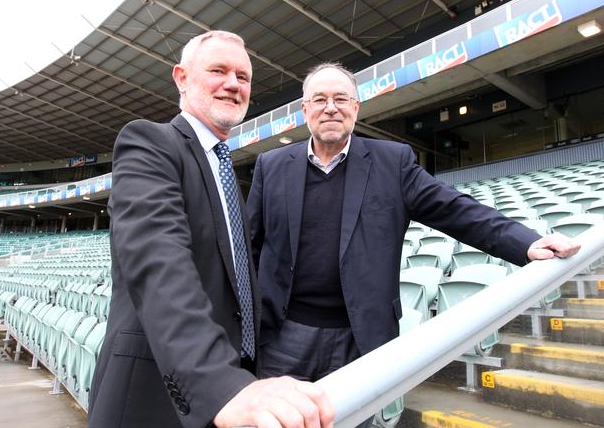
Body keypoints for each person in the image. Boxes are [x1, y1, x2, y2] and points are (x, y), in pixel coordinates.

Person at [246, 62, 581, 383]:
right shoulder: (271, 166)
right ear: (305, 111)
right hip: (282, 337)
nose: (330, 107)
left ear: (356, 107)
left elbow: (456, 210)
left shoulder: (392, 162)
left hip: (360, 338)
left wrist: (525, 242)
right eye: (319, 99)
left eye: (341, 98)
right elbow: (249, 249)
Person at [89, 31, 334, 428]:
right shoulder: (149, 143)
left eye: (243, 76)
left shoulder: (226, 174)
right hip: (161, 399)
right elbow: (159, 262)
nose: (233, 84)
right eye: (218, 70)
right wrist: (219, 383)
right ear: (181, 78)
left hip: (235, 393)